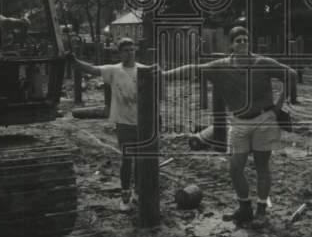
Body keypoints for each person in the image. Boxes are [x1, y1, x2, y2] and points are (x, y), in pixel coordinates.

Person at [162, 25, 298, 226]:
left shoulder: (263, 62)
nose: (242, 43)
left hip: (264, 120)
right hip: (238, 122)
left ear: (248, 42)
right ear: (231, 44)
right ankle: (244, 208)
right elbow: (193, 69)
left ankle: (261, 210)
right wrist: (165, 75)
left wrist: (278, 105)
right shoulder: (222, 65)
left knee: (262, 167)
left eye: (245, 39)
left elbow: (292, 75)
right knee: (235, 168)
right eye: (238, 40)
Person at [69, 36, 146, 212]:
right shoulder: (113, 70)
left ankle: (138, 192)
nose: (130, 53)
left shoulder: (144, 70)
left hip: (142, 123)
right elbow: (90, 68)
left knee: (142, 160)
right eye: (126, 50)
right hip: (124, 123)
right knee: (127, 159)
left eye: (132, 49)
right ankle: (125, 196)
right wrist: (73, 60)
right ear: (120, 53)